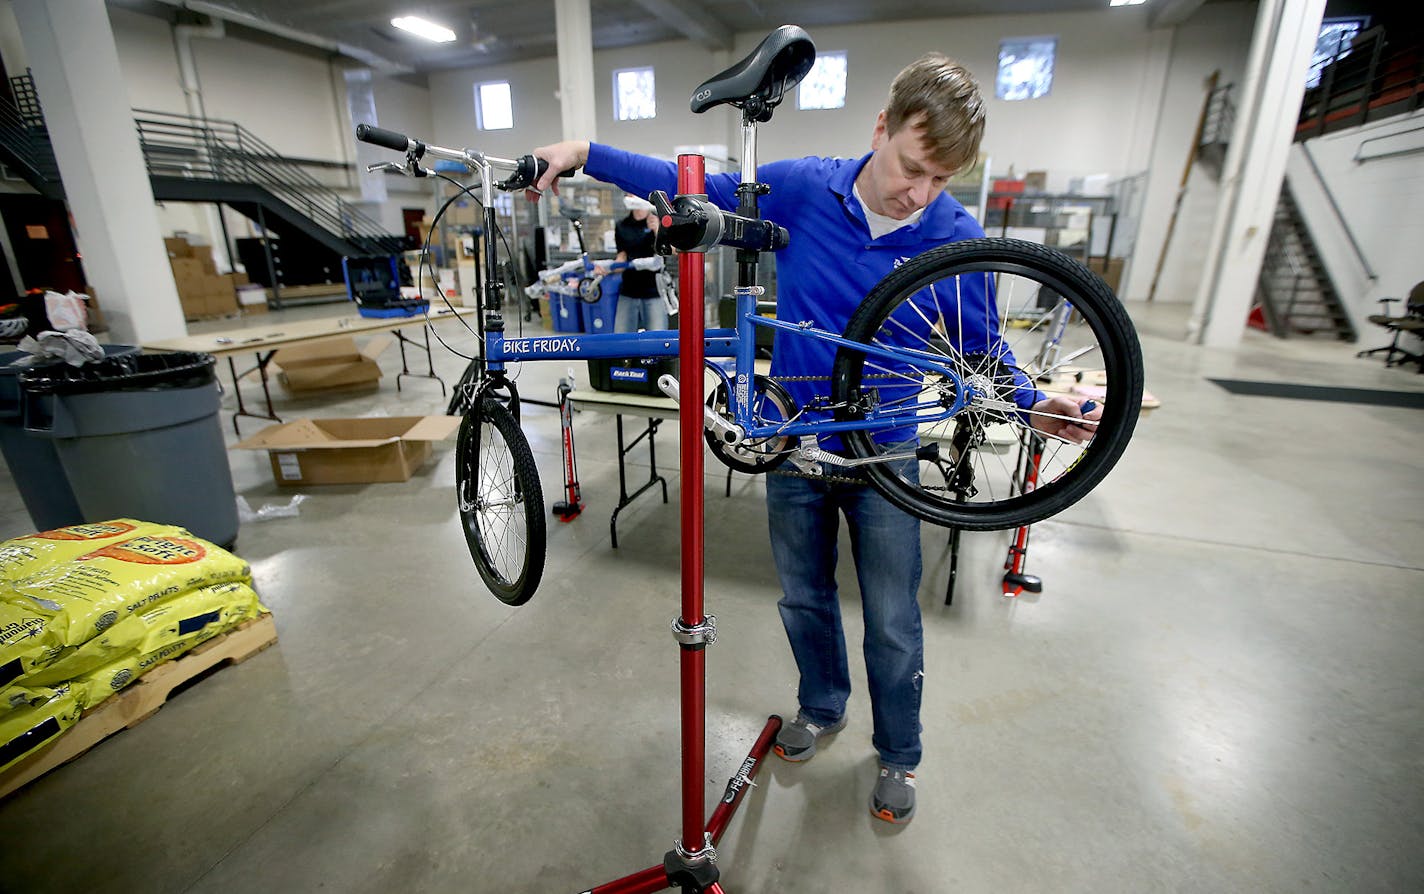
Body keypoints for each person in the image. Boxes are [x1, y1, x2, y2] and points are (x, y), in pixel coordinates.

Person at [532, 53, 1098, 826]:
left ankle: (898, 752)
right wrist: (585, 153)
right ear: (881, 129)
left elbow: (983, 351)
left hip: (885, 454)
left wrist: (1035, 406)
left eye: (941, 179)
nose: (919, 193)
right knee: (804, 597)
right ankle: (822, 706)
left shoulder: (956, 235)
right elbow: (690, 183)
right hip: (794, 443)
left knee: (895, 620)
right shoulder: (803, 188)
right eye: (911, 166)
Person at [608, 195, 667, 332]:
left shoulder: (659, 222)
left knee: (657, 340)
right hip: (629, 290)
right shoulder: (622, 226)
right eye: (630, 195)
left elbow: (666, 254)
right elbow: (621, 256)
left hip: (654, 291)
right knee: (622, 339)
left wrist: (658, 230)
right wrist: (608, 268)